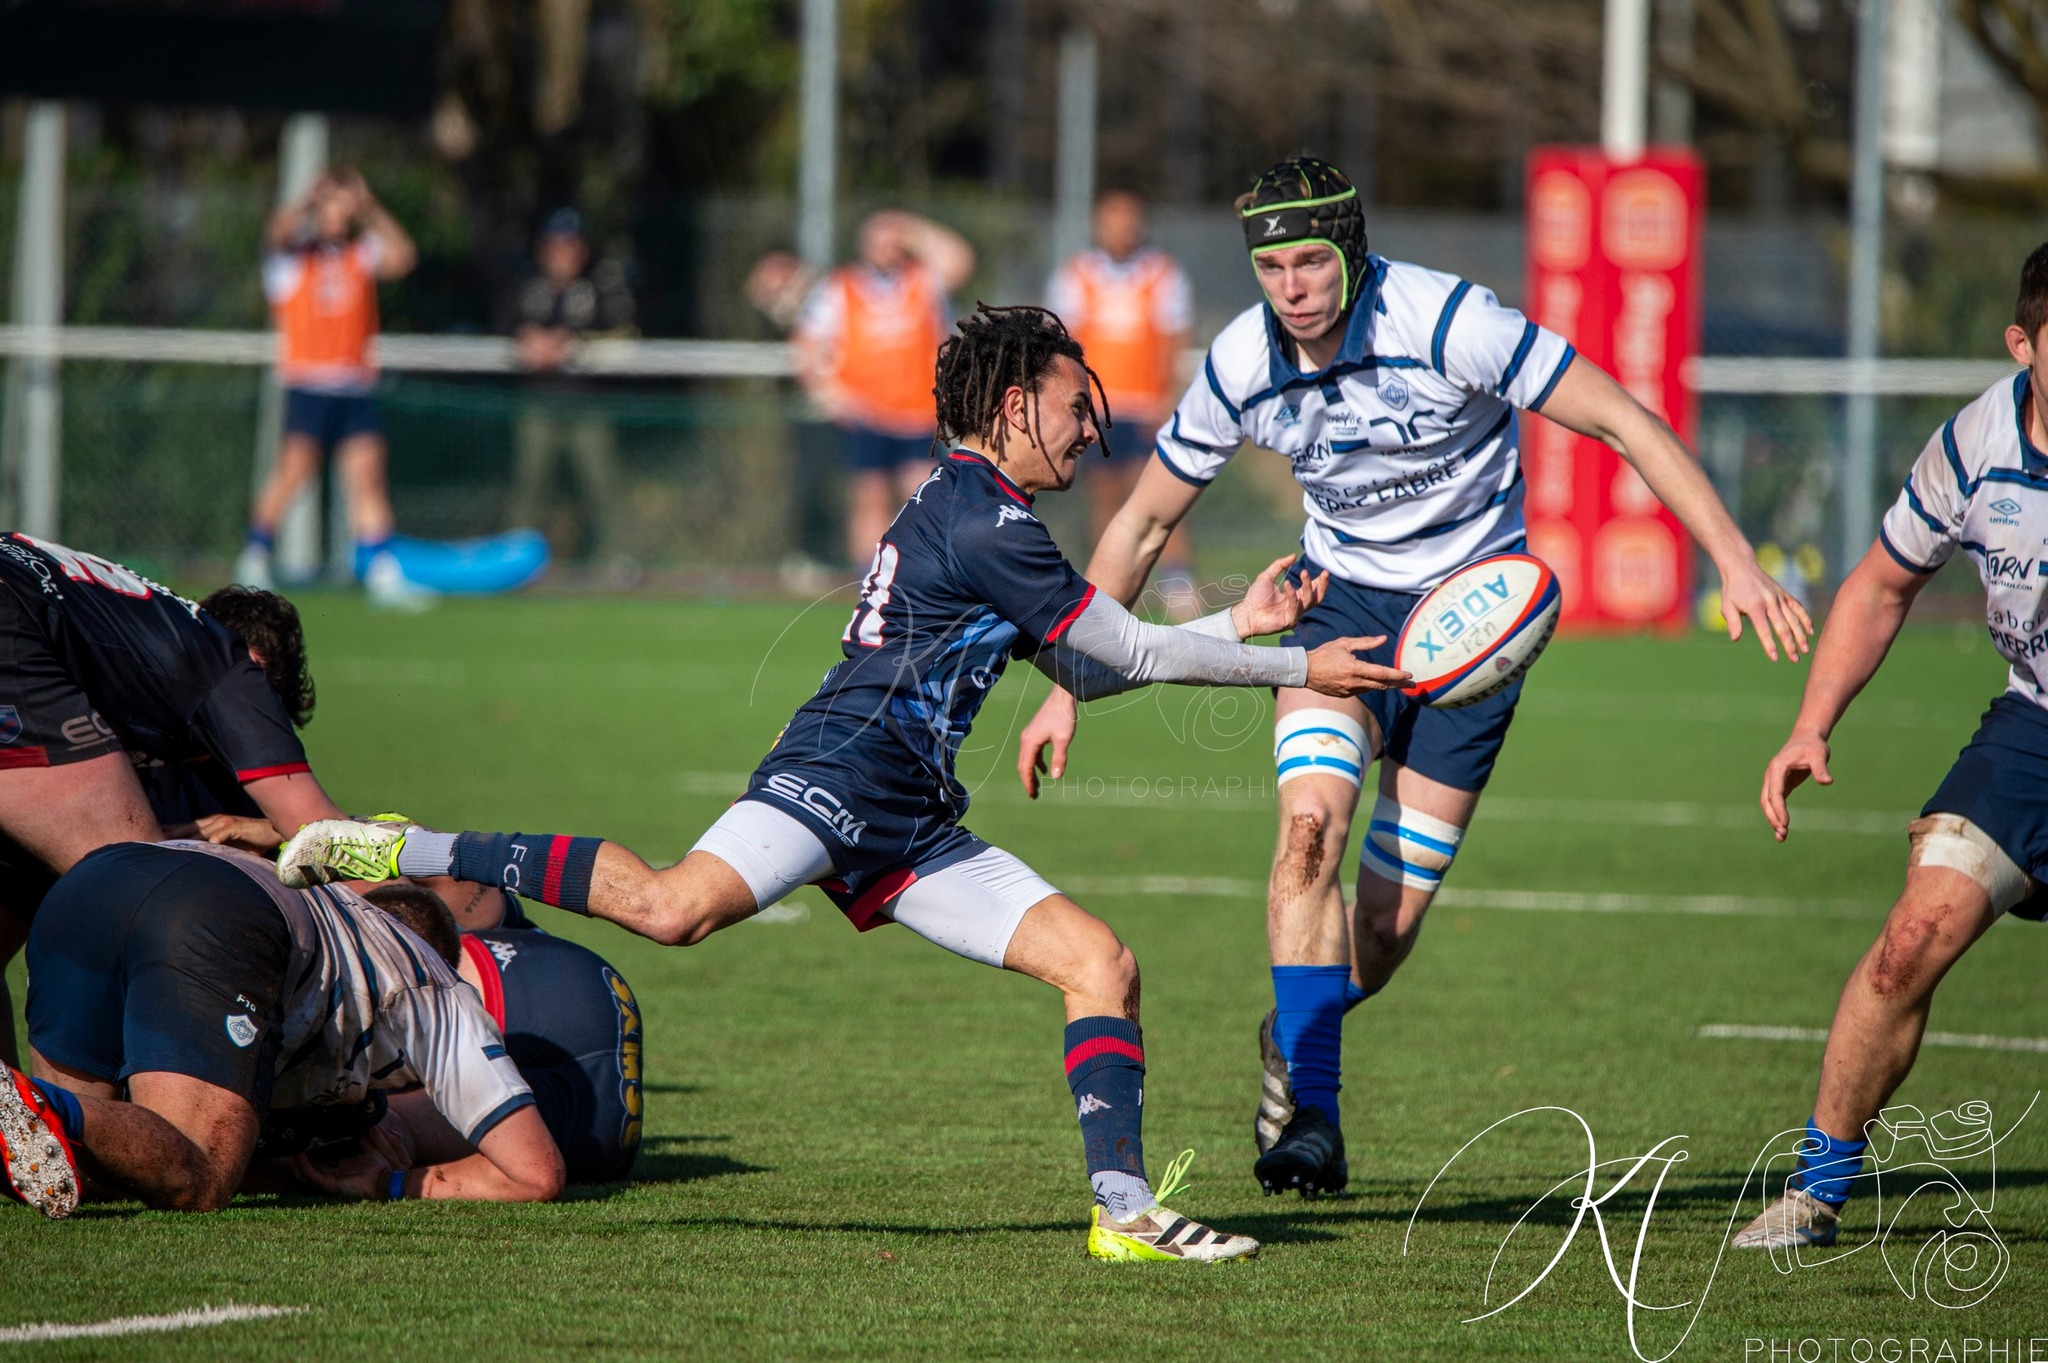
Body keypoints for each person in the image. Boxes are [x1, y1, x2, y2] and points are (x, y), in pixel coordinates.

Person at [278, 304, 1410, 1262]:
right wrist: (1291, 660)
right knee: (673, 908)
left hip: (911, 821)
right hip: (836, 772)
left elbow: (1080, 664)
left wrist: (1236, 620)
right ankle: (402, 848)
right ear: (1014, 407)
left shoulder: (984, 512)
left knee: (1099, 962)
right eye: (1074, 402)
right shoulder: (984, 518)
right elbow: (1129, 651)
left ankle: (1124, 1214)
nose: (1090, 424)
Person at [1015, 156, 1812, 1200]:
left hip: (1472, 629)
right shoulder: (1241, 361)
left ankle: (1287, 1039)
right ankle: (1315, 1117)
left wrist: (1732, 556)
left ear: (1348, 252)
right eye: (1269, 265)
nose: (1290, 286)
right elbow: (1144, 519)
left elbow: (1621, 415)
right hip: (1334, 610)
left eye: (1309, 260)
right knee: (1307, 834)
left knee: (1381, 939)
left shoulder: (1448, 322)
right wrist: (1070, 681)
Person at [1734, 246, 2048, 1249]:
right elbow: (1876, 586)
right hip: (2031, 731)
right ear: (2020, 345)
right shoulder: (1973, 445)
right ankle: (1814, 1191)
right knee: (1907, 940)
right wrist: (1806, 727)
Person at [1, 840, 564, 1216]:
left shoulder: (334, 906)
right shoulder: (435, 984)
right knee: (201, 1172)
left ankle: (41, 1102)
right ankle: (39, 1101)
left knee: (75, 1166)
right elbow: (536, 1175)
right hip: (213, 912)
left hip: (91, 882)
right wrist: (385, 1185)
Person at [0, 535, 348, 1066]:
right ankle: (70, 1128)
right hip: (13, 618)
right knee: (145, 905)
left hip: (19, 602)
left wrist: (264, 833)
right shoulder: (227, 677)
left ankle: (25, 1123)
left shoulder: (122, 666)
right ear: (260, 669)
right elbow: (339, 843)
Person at [236, 167, 425, 608]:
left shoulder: (360, 252)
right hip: (309, 382)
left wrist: (371, 207)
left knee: (367, 475)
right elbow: (276, 230)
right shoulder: (291, 258)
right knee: (295, 472)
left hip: (353, 383)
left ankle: (381, 570)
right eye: (333, 200)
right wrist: (308, 199)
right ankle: (255, 554)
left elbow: (404, 256)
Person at [791, 210, 976, 567]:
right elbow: (807, 345)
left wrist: (909, 228)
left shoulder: (921, 281)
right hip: (867, 415)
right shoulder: (841, 287)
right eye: (880, 239)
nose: (888, 247)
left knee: (923, 498)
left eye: (895, 241)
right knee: (869, 500)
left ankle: (924, 578)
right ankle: (870, 581)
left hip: (918, 414)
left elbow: (959, 259)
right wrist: (830, 393)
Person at [1046, 191, 1198, 614]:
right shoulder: (1077, 274)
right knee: (1105, 497)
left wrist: (1169, 398)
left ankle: (1178, 581)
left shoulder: (1162, 272)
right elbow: (1063, 341)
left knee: (1164, 494)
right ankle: (1104, 589)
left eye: (1129, 220)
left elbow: (1175, 337)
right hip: (1099, 406)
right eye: (1113, 221)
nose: (1121, 230)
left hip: (1147, 405)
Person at [504, 208, 638, 568]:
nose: (564, 253)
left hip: (587, 404)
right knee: (530, 487)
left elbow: (625, 331)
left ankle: (614, 562)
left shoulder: (602, 287)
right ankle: (516, 563)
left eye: (572, 245)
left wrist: (572, 342)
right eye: (557, 245)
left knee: (602, 486)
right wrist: (528, 339)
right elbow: (504, 324)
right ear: (544, 249)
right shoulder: (527, 287)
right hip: (539, 402)